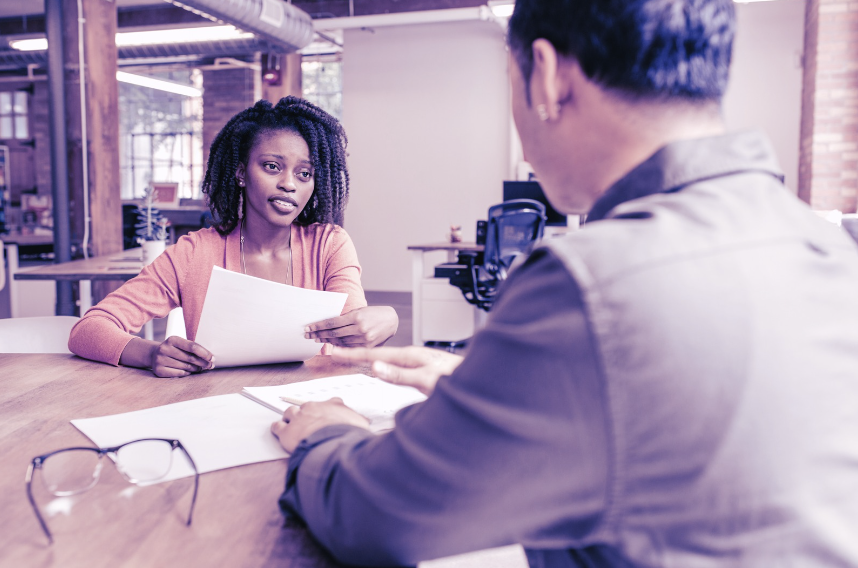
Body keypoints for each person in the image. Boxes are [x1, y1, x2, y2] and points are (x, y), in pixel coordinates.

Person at [269, 0, 858, 566]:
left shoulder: (591, 285)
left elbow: (375, 516)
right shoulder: (832, 248)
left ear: (546, 76)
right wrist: (505, 392)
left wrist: (330, 436)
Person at [69, 97, 398, 378]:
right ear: (241, 173)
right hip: (215, 406)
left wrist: (388, 320)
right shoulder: (195, 253)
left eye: (304, 173)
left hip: (309, 404)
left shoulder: (329, 245)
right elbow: (88, 330)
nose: (289, 184)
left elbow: (353, 335)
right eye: (271, 166)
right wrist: (151, 354)